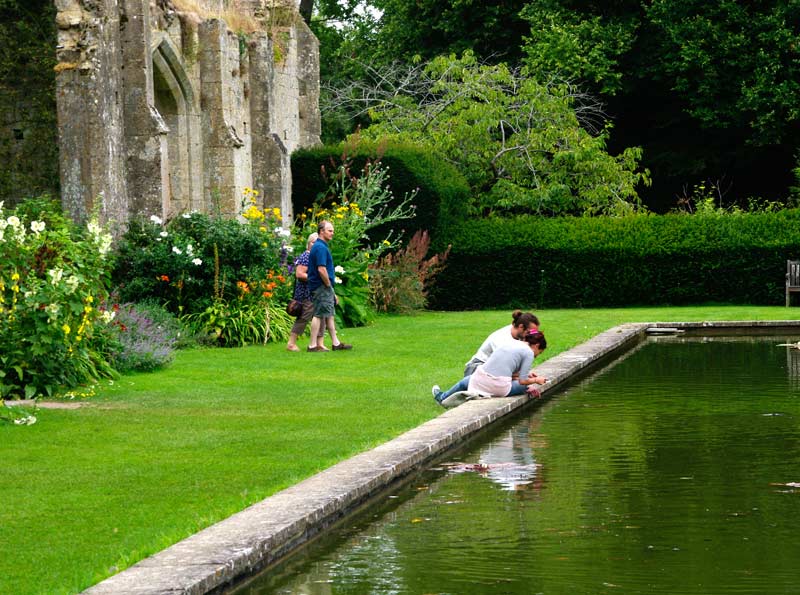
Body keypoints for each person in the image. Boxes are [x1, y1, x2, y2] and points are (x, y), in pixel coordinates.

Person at [432, 329, 548, 406]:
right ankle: (478, 395)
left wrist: (527, 375)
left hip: (479, 378)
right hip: (498, 388)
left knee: (466, 381)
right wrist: (536, 381)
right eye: (540, 352)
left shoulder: (510, 343)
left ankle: (441, 398)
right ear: (537, 345)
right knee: (525, 386)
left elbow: (505, 371)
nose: (537, 355)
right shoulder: (528, 352)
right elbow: (523, 381)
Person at [306, 219, 352, 352]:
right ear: (321, 231)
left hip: (323, 286)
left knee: (329, 315)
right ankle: (313, 345)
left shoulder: (321, 246)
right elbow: (321, 269)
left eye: (332, 231)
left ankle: (336, 343)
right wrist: (328, 285)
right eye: (330, 231)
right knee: (319, 315)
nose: (332, 233)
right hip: (321, 286)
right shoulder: (320, 247)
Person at [463, 310, 540, 376]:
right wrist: (524, 376)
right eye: (530, 332)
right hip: (476, 369)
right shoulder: (502, 339)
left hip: (491, 369)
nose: (532, 335)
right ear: (521, 327)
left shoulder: (520, 336)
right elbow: (503, 367)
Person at [286, 232, 325, 352]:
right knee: (304, 316)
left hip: (315, 292)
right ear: (308, 244)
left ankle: (319, 343)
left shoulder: (315, 256)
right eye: (313, 242)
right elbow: (299, 274)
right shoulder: (306, 256)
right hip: (306, 293)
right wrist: (315, 278)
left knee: (321, 317)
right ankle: (291, 343)